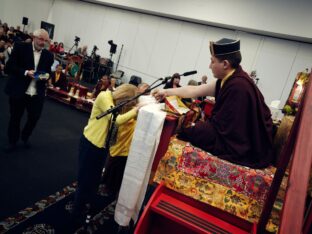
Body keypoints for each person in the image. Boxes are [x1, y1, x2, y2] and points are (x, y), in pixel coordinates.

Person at [153, 38, 273, 168]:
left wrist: (194, 126)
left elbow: (227, 130)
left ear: (225, 64)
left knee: (190, 131)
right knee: (194, 128)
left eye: (212, 61)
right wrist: (166, 91)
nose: (209, 66)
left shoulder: (238, 86)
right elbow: (194, 90)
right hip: (232, 135)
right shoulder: (228, 79)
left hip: (244, 146)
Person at [72, 84, 144, 220]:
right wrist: (136, 110)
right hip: (90, 144)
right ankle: (76, 212)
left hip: (102, 147)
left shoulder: (114, 103)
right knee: (84, 179)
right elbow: (115, 120)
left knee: (94, 179)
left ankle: (86, 204)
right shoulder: (104, 96)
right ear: (124, 96)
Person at [4, 28, 53, 152]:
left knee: (34, 117)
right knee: (15, 117)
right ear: (34, 38)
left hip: (37, 93)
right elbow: (9, 67)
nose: (43, 42)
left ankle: (25, 136)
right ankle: (12, 141)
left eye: (45, 40)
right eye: (41, 39)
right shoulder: (21, 47)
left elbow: (48, 74)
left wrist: (41, 76)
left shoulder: (48, 55)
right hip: (19, 90)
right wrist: (26, 72)